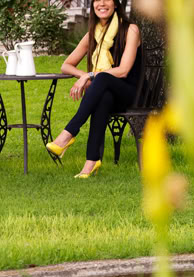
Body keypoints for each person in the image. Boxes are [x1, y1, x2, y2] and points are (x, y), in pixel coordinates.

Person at [46, 0, 141, 178]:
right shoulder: (93, 33)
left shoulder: (130, 30)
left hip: (131, 93)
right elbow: (66, 65)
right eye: (97, 0)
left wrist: (89, 76)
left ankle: (68, 134)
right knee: (103, 96)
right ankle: (91, 162)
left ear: (115, 4)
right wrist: (84, 75)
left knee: (102, 77)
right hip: (109, 93)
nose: (102, 3)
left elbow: (123, 71)